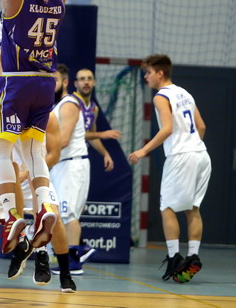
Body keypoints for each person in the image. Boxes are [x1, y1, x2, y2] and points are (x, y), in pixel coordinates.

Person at [0, 0, 68, 260]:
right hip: (45, 84)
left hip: (16, 81)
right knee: (34, 151)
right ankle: (46, 206)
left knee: (0, 150)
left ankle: (10, 216)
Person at [0, 109, 76, 293]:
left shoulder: (47, 115)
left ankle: (64, 273)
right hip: (4, 176)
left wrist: (27, 173)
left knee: (55, 218)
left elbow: (54, 155)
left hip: (35, 175)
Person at [129, 54, 211, 283]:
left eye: (148, 72)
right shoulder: (185, 93)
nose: (146, 77)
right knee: (193, 208)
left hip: (182, 157)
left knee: (167, 207)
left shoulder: (160, 96)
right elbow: (202, 126)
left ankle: (174, 257)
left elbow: (167, 129)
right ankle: (193, 256)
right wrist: (192, 145)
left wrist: (143, 150)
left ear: (160, 73)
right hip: (201, 155)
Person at [50, 64, 114, 275]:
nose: (50, 84)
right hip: (64, 163)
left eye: (55, 80)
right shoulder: (62, 105)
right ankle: (79, 250)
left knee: (68, 215)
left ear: (66, 82)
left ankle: (73, 261)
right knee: (62, 213)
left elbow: (64, 140)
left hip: (71, 163)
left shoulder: (69, 104)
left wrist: (41, 157)